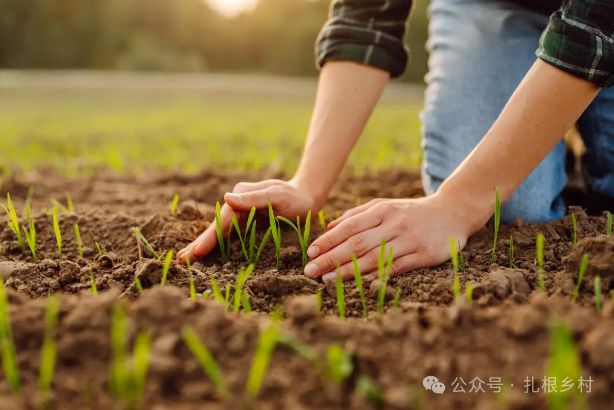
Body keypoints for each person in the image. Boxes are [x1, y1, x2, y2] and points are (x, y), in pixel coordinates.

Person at [178, 0, 614, 282]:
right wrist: (307, 184)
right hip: (498, 8)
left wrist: (459, 202)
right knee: (512, 210)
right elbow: (368, 17)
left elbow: (595, 27)